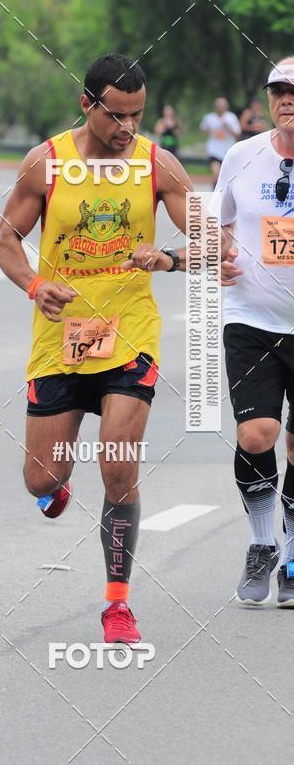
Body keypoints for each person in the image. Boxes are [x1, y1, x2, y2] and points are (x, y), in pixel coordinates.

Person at [0, 53, 196, 644]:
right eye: (116, 115)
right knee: (40, 477)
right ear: (87, 104)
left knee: (117, 462)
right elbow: (5, 239)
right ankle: (55, 486)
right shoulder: (46, 163)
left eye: (137, 114)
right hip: (62, 342)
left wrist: (170, 257)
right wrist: (34, 284)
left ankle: (117, 605)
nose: (128, 127)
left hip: (131, 332)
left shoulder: (157, 164)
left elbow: (212, 241)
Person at [219, 56, 294, 609]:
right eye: (278, 91)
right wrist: (219, 249)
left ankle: (292, 554)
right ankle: (264, 543)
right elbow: (215, 220)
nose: (287, 100)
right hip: (250, 318)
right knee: (258, 435)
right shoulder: (242, 155)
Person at [200, 97, 241, 188]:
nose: (220, 107)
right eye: (218, 105)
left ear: (226, 107)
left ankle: (224, 197)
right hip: (214, 150)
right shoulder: (209, 118)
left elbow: (237, 134)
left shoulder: (231, 117)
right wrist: (210, 130)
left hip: (228, 151)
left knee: (227, 178)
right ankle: (215, 196)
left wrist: (227, 126)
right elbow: (203, 129)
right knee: (216, 175)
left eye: (222, 105)